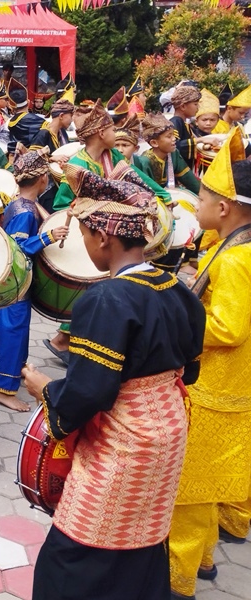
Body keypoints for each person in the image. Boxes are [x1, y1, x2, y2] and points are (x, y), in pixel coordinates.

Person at [22, 164, 205, 600]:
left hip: (125, 443)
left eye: (85, 233)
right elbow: (191, 369)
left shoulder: (106, 298)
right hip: (167, 433)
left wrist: (46, 389)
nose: (83, 243)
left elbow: (90, 392)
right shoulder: (177, 287)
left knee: (79, 551)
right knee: (142, 540)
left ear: (103, 236)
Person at [166, 129, 251, 599]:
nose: (195, 206)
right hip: (228, 387)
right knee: (208, 482)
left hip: (217, 390)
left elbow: (228, 329)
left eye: (201, 198)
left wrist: (180, 322)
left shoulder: (238, 259)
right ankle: (204, 559)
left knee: (190, 490)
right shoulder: (231, 244)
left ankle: (178, 578)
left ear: (224, 209)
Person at [46, 102, 170, 362]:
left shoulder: (112, 157)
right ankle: (71, 343)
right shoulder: (78, 165)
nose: (117, 133)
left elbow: (135, 176)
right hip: (91, 238)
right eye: (113, 128)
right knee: (92, 292)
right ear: (101, 133)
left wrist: (161, 196)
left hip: (113, 234)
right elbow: (60, 205)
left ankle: (73, 342)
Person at [0, 150, 67, 411]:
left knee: (5, 326)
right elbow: (17, 248)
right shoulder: (25, 212)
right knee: (15, 332)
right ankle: (4, 389)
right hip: (17, 280)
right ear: (43, 179)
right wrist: (48, 237)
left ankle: (12, 366)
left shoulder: (18, 203)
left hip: (9, 281)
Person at [140, 113, 200, 194]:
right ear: (154, 143)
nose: (174, 139)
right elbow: (145, 192)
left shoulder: (173, 154)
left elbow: (190, 181)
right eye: (169, 136)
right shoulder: (144, 161)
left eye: (173, 135)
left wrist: (205, 195)